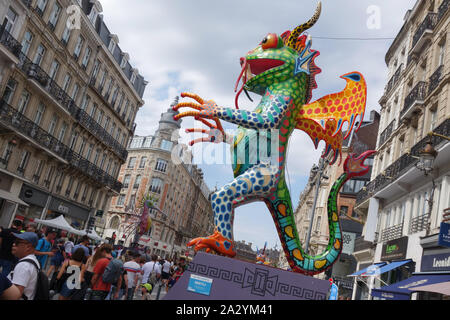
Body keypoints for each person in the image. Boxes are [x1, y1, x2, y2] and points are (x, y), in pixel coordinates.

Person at [7, 232, 40, 300]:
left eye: (17, 242)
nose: (13, 244)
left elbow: (14, 295)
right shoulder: (32, 260)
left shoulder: (24, 265)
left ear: (28, 247)